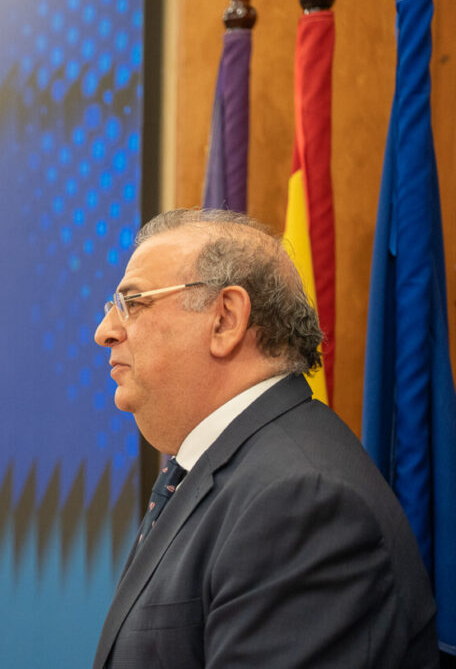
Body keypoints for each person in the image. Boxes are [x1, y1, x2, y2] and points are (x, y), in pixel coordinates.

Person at [91, 209, 438, 668]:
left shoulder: (302, 502)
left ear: (225, 320)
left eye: (133, 303)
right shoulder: (224, 467)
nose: (106, 332)